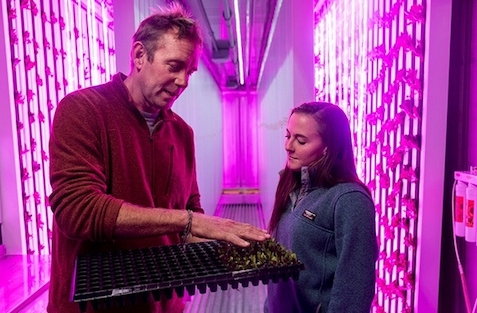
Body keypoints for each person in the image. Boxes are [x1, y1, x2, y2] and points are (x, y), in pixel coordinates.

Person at [47, 4, 270, 313]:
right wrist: (189, 220)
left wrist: (232, 244)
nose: (183, 81)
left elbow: (190, 215)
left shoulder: (182, 133)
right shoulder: (83, 110)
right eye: (174, 65)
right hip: (94, 306)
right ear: (140, 55)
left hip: (164, 303)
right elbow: (78, 211)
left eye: (189, 71)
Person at [264, 102, 378, 313]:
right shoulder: (292, 184)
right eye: (288, 136)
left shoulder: (350, 200)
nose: (289, 146)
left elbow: (354, 291)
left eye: (301, 140)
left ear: (328, 147)